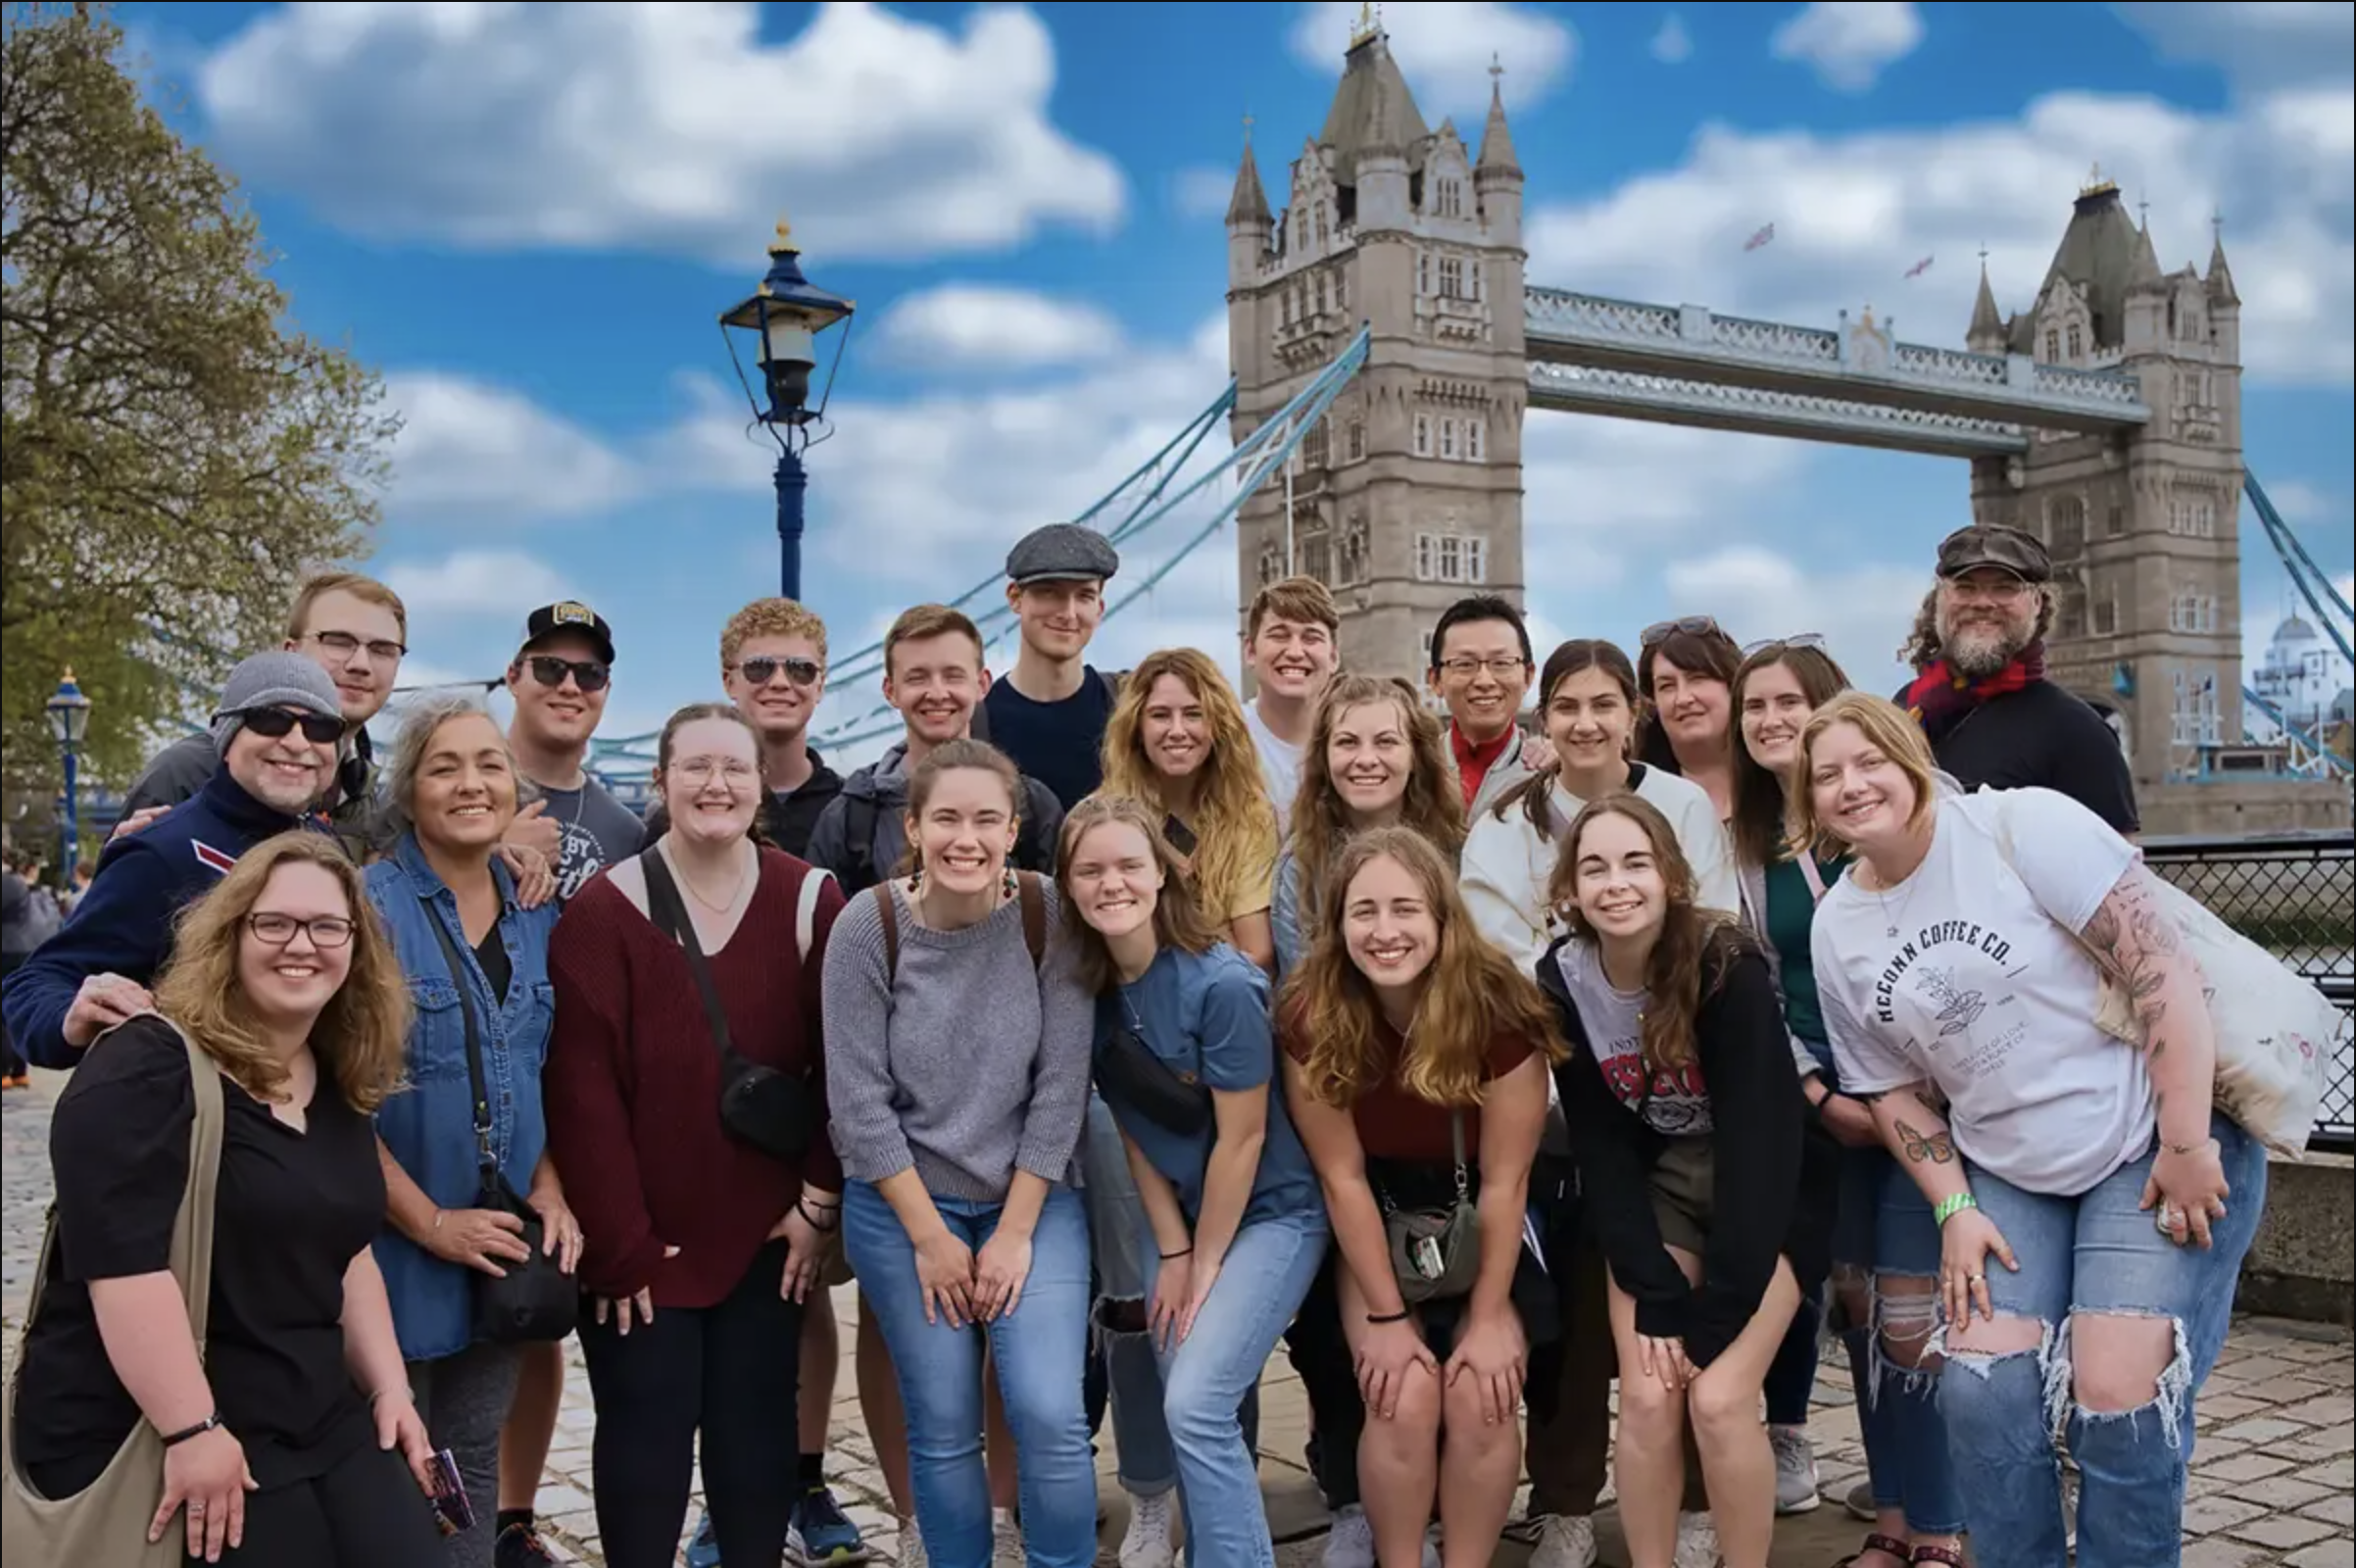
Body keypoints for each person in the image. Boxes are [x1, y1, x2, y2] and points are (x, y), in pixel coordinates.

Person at [1801, 693, 2264, 1568]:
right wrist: (1952, 1208)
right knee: (1980, 1386)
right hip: (2008, 1165)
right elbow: (1891, 1089)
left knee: (2117, 1396)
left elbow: (2161, 966)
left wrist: (2187, 1140)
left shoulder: (2020, 828)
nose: (1853, 786)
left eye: (1869, 760)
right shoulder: (1839, 928)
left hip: (2144, 1134)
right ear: (1809, 804)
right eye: (1826, 776)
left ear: (1909, 756)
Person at [9, 833, 441, 1566]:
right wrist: (192, 1430)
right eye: (273, 923)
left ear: (356, 948)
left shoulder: (331, 1073)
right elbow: (122, 1271)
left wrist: (391, 1389)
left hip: (310, 1408)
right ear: (230, 933)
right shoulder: (147, 1067)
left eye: (328, 926)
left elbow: (348, 1248)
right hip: (164, 1420)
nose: (301, 945)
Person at [542, 704, 845, 1568]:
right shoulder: (604, 911)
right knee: (644, 1439)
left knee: (756, 1442)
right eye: (696, 768)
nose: (716, 785)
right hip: (643, 1243)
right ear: (662, 780)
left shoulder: (810, 899)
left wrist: (818, 1207)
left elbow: (844, 1067)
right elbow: (581, 1090)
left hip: (769, 1233)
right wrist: (620, 1244)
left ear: (760, 784)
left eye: (735, 769)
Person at [1464, 638, 1727, 1568]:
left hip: (1679, 1098)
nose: (1585, 723)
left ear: (1632, 714)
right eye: (1566, 706)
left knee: (1683, 1311)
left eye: (1604, 704)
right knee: (1573, 1324)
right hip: (1560, 1103)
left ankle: (1695, 1501)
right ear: (1544, 716)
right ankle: (1569, 1500)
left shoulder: (1682, 805)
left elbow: (1709, 933)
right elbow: (1502, 964)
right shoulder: (1504, 820)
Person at [1540, 794, 1834, 1568]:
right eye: (1594, 867)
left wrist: (1716, 1314)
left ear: (1671, 876)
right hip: (1664, 1184)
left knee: (1718, 1396)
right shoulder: (1565, 977)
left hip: (1771, 1192)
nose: (1616, 884)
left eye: (1636, 863)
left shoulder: (1721, 966)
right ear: (1568, 889)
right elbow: (1602, 1150)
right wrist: (1658, 1298)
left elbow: (1764, 1148)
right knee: (1643, 1394)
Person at [823, 738, 1096, 1568]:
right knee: (940, 1419)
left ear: (1013, 830)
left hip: (1033, 1196)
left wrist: (1012, 1234)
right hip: (906, 1202)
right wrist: (932, 1239)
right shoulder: (866, 928)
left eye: (986, 819)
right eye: (946, 818)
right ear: (914, 826)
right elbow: (859, 1107)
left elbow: (1060, 1092)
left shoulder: (1050, 918)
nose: (965, 838)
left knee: (1049, 1409)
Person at [1729, 641, 1961, 1567]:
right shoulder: (1754, 846)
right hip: (1818, 1104)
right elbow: (1752, 979)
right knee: (1860, 1307)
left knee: (1914, 1315)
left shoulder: (1894, 829)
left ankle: (1942, 1527)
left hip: (1908, 1097)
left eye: (1789, 703)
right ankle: (1894, 1516)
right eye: (1754, 707)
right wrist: (1811, 1087)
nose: (1769, 721)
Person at [1061, 796, 1330, 1567]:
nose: (1111, 884)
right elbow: (1139, 1134)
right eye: (1090, 870)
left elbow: (1243, 1140)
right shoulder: (1092, 991)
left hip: (1270, 1213)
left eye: (1127, 866)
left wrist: (1204, 1263)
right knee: (1190, 1392)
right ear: (1070, 884)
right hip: (1177, 1218)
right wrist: (1173, 1252)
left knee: (1197, 1400)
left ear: (1161, 874)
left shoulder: (1224, 985)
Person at [1282, 826, 1561, 1568]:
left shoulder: (1499, 1004)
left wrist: (1492, 1312)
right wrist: (1384, 1315)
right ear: (1337, 924)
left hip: (1488, 1209)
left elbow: (1508, 1179)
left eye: (1405, 910)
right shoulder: (1312, 1012)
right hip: (1375, 1210)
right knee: (1400, 1393)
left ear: (1441, 916)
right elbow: (1341, 1177)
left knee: (1481, 1392)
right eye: (1363, 912)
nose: (1385, 931)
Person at [658, 599, 863, 1568]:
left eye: (800, 669)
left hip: (800, 1111)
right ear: (728, 677)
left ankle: (804, 1474)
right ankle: (731, 1488)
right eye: (761, 668)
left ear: (822, 685)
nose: (780, 683)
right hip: (703, 1120)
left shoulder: (849, 805)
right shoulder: (674, 802)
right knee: (718, 1306)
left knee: (801, 1290)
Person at [364, 696, 574, 1568]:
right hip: (391, 1245)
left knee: (471, 1451)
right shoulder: (366, 908)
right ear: (409, 791)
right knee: (387, 1453)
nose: (470, 783)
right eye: (444, 766)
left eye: (489, 764)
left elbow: (557, 1072)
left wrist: (553, 1184)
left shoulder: (539, 913)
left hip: (498, 1244)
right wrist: (427, 1223)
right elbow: (331, 1100)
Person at [3, 653, 345, 1069]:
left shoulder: (327, 849)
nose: (297, 742)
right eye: (269, 720)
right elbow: (37, 982)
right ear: (227, 735)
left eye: (321, 727)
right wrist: (70, 1017)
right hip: (199, 1119)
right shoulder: (163, 849)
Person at [122, 572, 410, 857]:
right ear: (290, 652)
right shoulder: (183, 774)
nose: (361, 664)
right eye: (338, 641)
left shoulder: (373, 801)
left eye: (382, 650)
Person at [808, 604, 1066, 896]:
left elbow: (1060, 923)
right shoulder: (850, 818)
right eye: (918, 678)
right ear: (890, 691)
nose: (938, 693)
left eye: (953, 675)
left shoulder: (1033, 807)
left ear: (982, 685)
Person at [1897, 524, 2136, 833]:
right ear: (1940, 598)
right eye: (1965, 587)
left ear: (2037, 603)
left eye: (2005, 588)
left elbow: (2118, 871)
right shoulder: (1905, 709)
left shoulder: (2077, 732)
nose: (1983, 602)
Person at [1271, 675, 1466, 981]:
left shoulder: (1460, 853)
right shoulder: (1299, 867)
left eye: (1386, 741)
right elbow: (1301, 994)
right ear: (1324, 756)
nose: (1365, 760)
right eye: (1347, 742)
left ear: (1415, 755)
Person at [1098, 647, 1280, 968]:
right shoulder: (1101, 818)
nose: (1178, 730)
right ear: (1137, 727)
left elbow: (1257, 956)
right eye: (1160, 715)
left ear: (1218, 724)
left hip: (1221, 996)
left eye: (1194, 714)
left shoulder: (1249, 817)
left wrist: (1182, 897)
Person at [501, 603, 646, 904]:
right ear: (513, 678)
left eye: (590, 674)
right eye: (549, 669)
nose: (569, 687)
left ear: (606, 689)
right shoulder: (448, 791)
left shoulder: (629, 834)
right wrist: (493, 855)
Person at [977, 522, 1124, 810]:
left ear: (1099, 608)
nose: (1068, 613)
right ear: (1015, 598)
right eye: (1050, 593)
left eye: (1084, 596)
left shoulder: (1131, 706)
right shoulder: (975, 722)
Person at [1424, 596, 1546, 815]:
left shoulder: (1550, 774)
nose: (1484, 681)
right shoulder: (1415, 769)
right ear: (1435, 680)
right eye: (1464, 664)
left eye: (1501, 663)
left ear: (1528, 676)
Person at [1241, 577, 1343, 827]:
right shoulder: (1224, 738)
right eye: (1279, 636)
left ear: (1333, 658)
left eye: (1311, 638)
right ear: (1250, 652)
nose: (1295, 652)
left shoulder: (1358, 745)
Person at [1634, 618, 1744, 822]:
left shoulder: (1781, 787)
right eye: (1667, 686)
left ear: (1733, 685)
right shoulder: (1635, 801)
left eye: (1697, 679)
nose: (1683, 699)